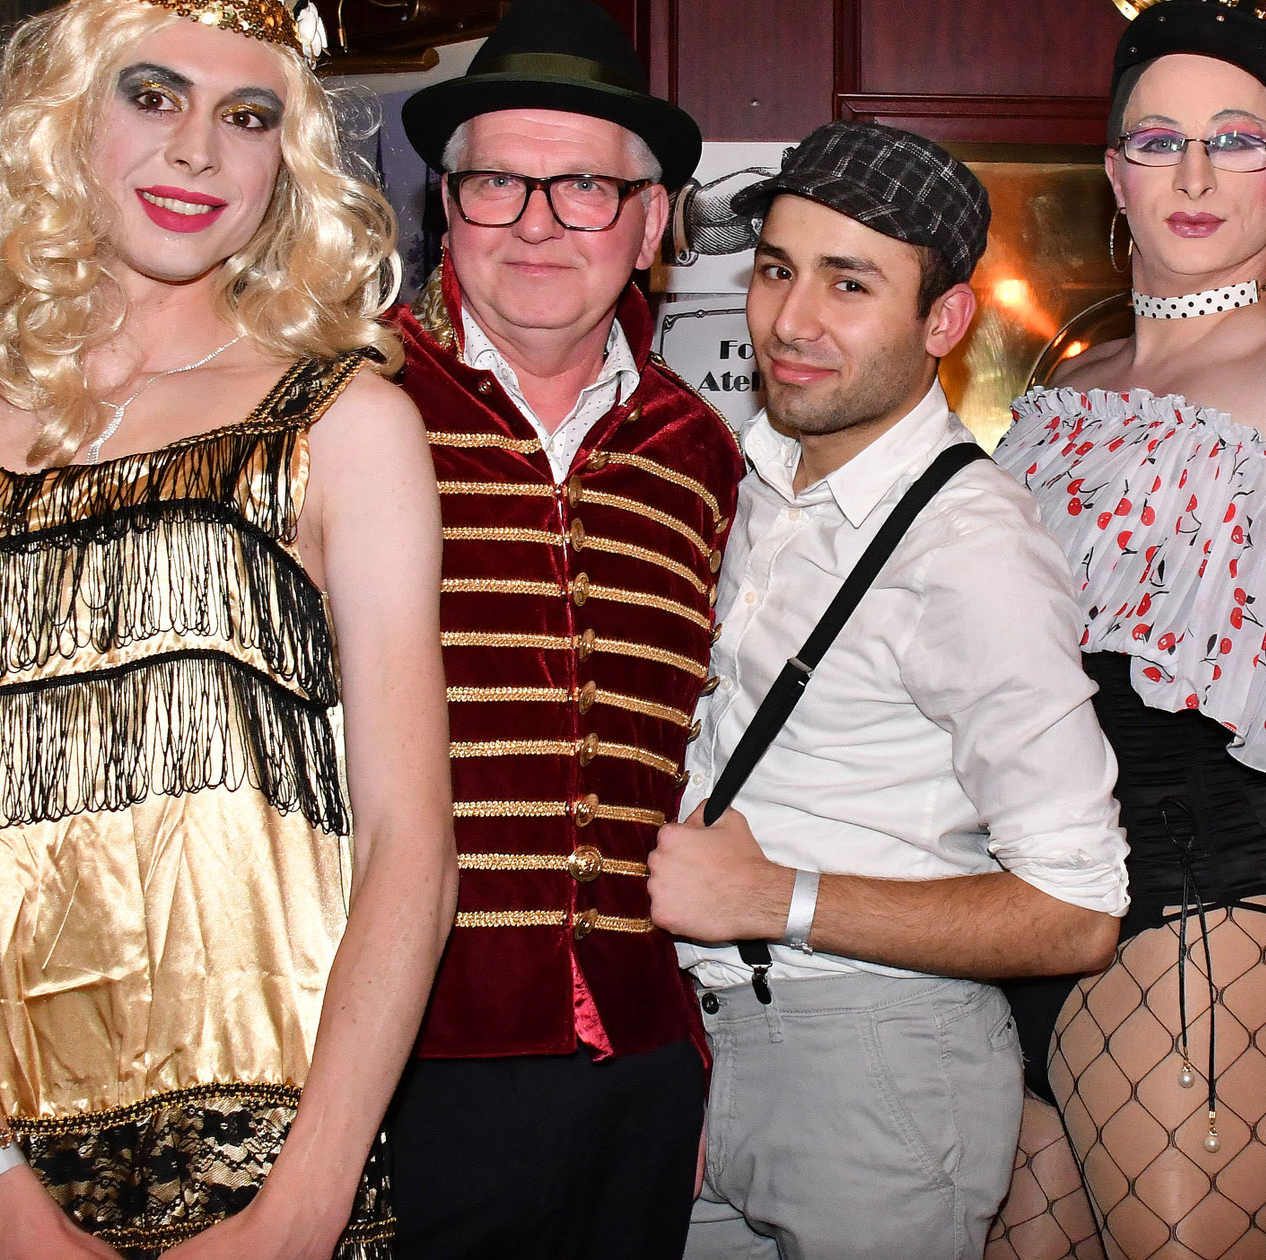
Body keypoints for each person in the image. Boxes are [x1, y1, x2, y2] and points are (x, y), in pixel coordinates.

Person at [0, 1, 457, 1257]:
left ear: (283, 163)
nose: (198, 149)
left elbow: (411, 846)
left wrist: (302, 1208)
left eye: (247, 117)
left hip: (277, 1186)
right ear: (61, 119)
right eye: (151, 96)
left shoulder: (343, 425)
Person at [645, 121, 1130, 1260]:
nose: (792, 321)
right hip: (707, 1041)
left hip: (879, 1065)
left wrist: (777, 899)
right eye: (777, 270)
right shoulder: (745, 479)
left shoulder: (974, 550)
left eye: (849, 284)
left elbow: (1077, 911)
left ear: (943, 321)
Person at [987, 5, 1266, 1257]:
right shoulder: (1062, 401)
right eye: (1157, 140)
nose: (1190, 174)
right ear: (1112, 172)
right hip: (1019, 921)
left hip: (1200, 923)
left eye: (1233, 141)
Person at [382, 3, 742, 1257]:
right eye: (496, 184)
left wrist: (682, 1047)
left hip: (636, 1073)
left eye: (584, 186)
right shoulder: (350, 405)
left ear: (649, 225)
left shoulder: (701, 453)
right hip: (392, 1064)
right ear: (444, 206)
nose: (535, 224)